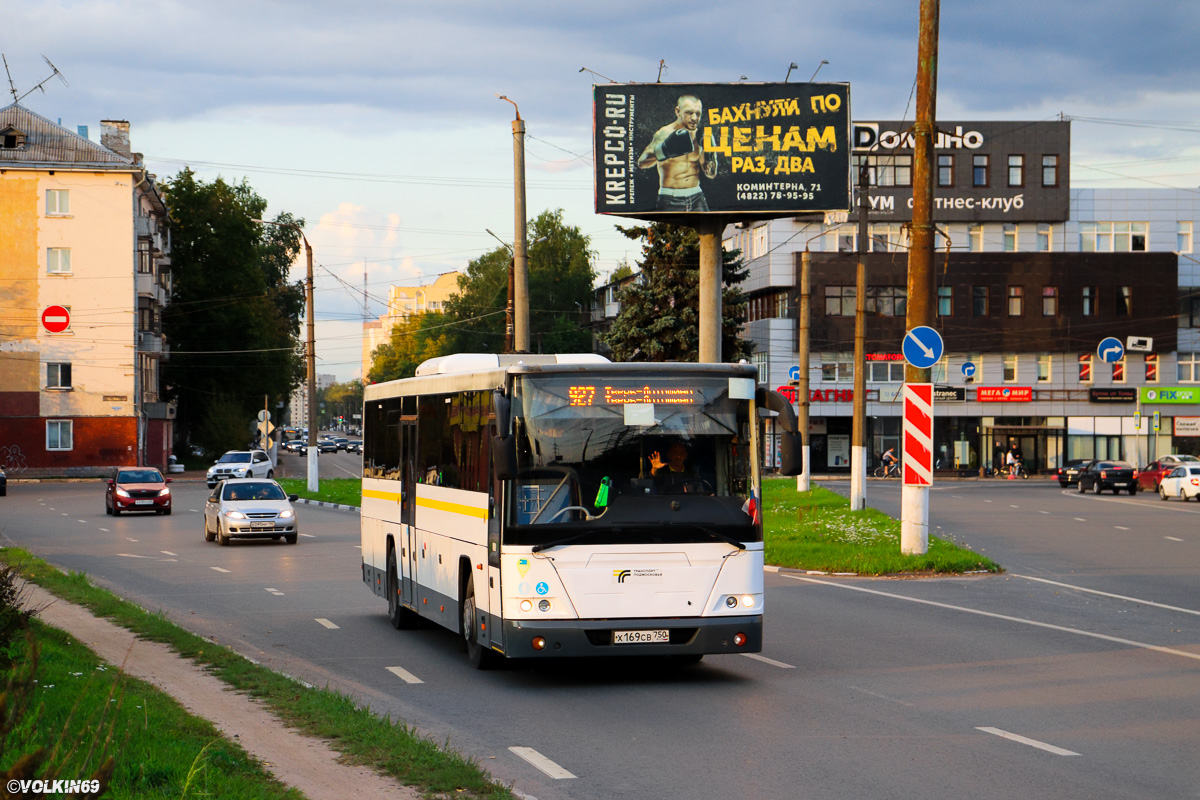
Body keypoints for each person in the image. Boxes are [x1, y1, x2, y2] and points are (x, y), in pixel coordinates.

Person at [637, 94, 717, 212]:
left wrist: (710, 152)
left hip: (697, 196)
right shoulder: (664, 133)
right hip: (670, 198)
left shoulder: (702, 135)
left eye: (698, 114)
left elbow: (710, 173)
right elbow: (642, 163)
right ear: (678, 111)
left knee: (707, 229)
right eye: (689, 113)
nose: (695, 118)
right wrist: (665, 149)